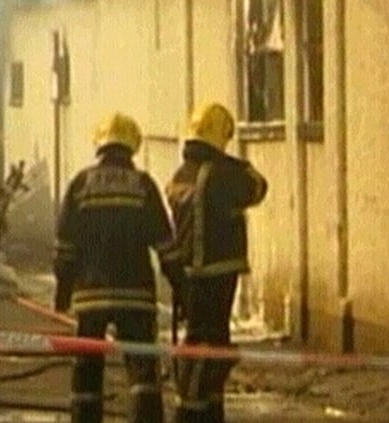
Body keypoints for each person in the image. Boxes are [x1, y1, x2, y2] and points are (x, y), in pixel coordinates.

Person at [53, 112, 174, 423]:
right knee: (143, 371)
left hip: (90, 295)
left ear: (100, 147)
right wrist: (181, 289)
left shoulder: (81, 184)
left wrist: (63, 293)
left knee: (87, 370)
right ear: (132, 147)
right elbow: (165, 244)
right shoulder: (143, 185)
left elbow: (65, 246)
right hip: (135, 296)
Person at [158, 103, 268, 423]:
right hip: (219, 270)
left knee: (200, 340)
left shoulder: (181, 173)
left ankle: (205, 407)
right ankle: (195, 411)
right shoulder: (222, 172)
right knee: (211, 343)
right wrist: (227, 160)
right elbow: (258, 186)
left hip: (188, 272)